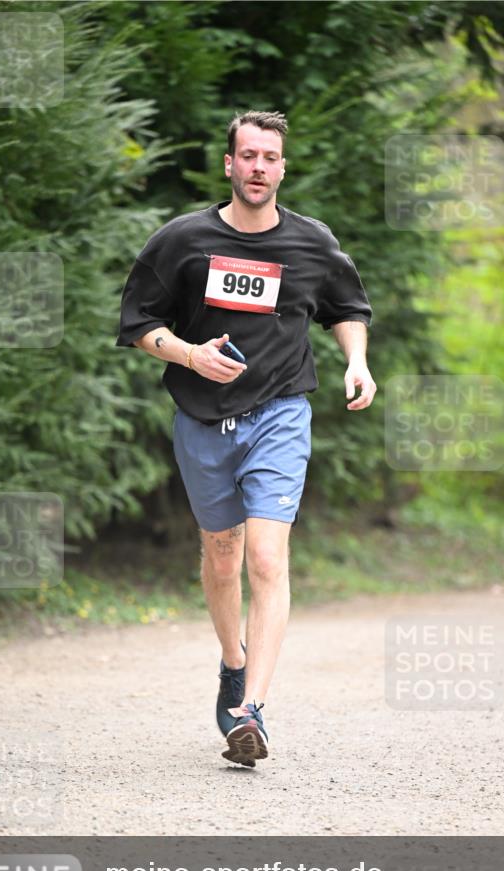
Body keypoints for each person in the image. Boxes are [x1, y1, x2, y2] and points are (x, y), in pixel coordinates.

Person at [117, 110, 376, 767]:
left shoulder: (311, 244)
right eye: (248, 156)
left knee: (265, 557)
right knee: (222, 555)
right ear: (228, 165)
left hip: (280, 413)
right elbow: (138, 323)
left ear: (282, 168)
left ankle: (249, 710)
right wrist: (187, 355)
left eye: (270, 157)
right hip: (202, 419)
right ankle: (232, 661)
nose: (259, 167)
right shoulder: (183, 241)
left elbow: (346, 308)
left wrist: (355, 360)